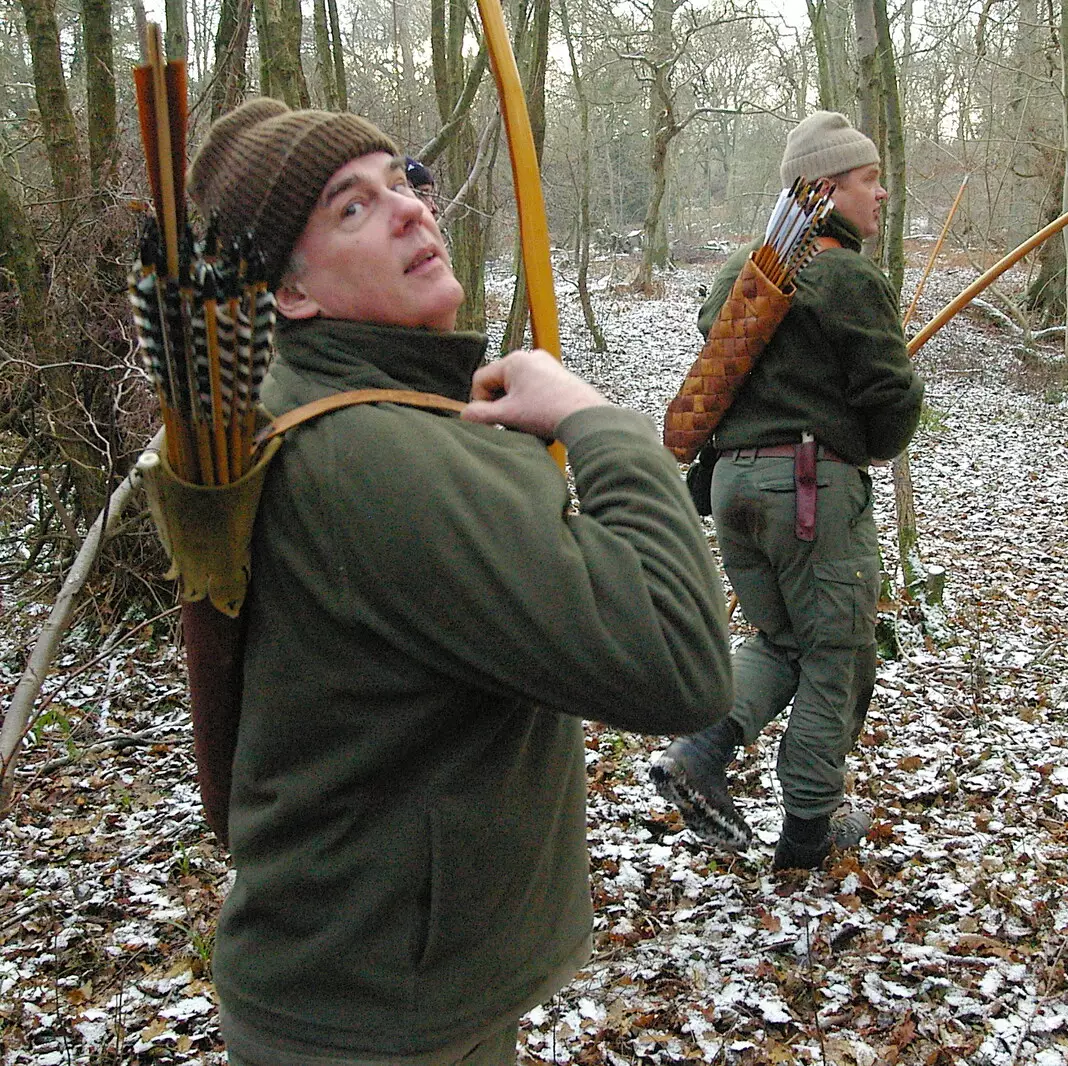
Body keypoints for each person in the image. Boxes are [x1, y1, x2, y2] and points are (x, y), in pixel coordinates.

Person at [184, 98, 733, 1064]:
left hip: (386, 985)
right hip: (377, 1020)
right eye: (351, 208)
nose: (408, 210)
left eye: (402, 182)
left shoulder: (332, 407)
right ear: (292, 296)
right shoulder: (369, 454)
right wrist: (595, 420)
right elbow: (680, 663)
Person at [651, 111, 924, 872]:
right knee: (836, 654)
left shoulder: (742, 273)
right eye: (869, 180)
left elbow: (739, 354)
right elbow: (892, 403)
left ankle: (700, 755)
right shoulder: (847, 275)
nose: (882, 194)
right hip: (807, 491)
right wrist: (866, 436)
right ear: (829, 189)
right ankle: (808, 834)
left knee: (780, 642)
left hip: (733, 486)